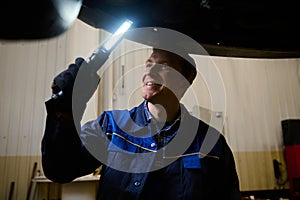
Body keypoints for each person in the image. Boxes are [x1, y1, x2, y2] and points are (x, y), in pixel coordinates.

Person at [41, 47, 241, 199]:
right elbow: (60, 170)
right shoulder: (111, 127)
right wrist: (66, 108)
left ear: (187, 78)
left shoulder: (211, 144)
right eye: (148, 64)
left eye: (162, 66)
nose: (150, 72)